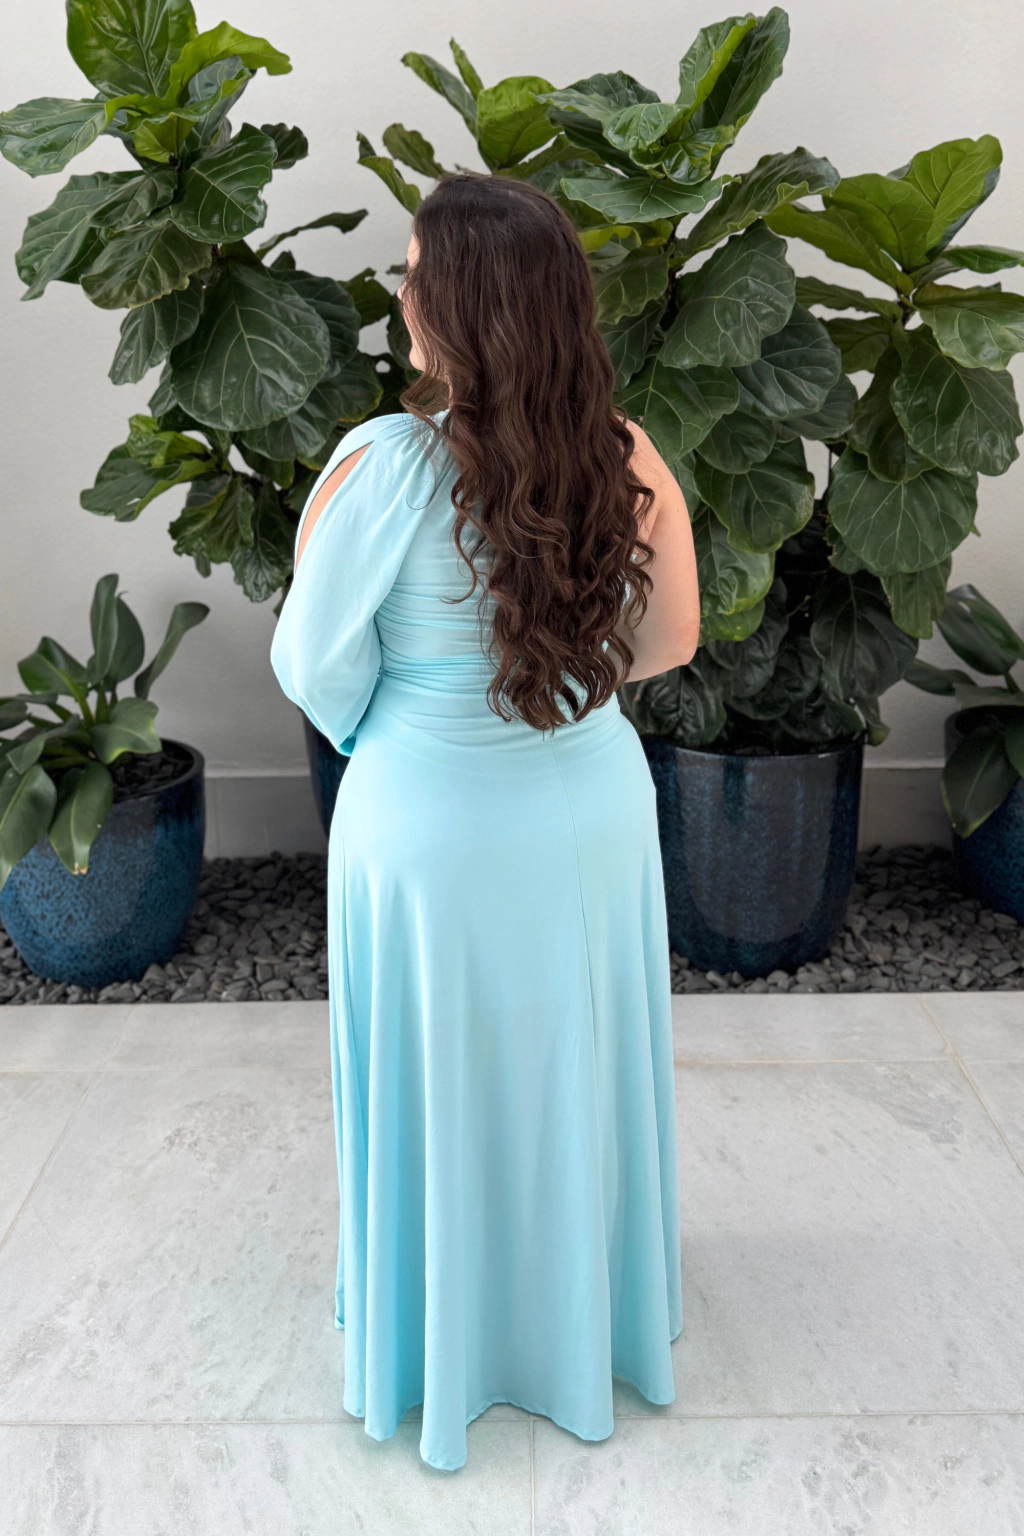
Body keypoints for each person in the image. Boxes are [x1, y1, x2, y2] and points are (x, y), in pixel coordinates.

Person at [270, 173, 700, 1472]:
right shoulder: (624, 454)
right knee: (570, 1064)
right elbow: (670, 643)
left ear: (459, 308)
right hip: (590, 816)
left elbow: (312, 664)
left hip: (425, 830)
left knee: (436, 1071)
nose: (402, 298)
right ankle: (579, 1313)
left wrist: (401, 730)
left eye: (415, 277)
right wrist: (558, 701)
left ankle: (436, 1324)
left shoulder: (381, 465)